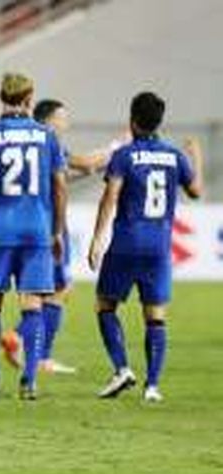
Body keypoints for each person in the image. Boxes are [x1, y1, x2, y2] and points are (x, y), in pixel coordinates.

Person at [88, 91, 203, 402]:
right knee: (155, 316)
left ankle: (122, 368)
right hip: (159, 247)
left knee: (105, 306)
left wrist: (98, 239)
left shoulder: (124, 156)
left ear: (132, 120)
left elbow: (110, 197)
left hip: (126, 243)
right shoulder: (175, 156)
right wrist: (196, 156)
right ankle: (152, 386)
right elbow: (196, 191)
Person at [0, 73, 67, 400]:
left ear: (2, 97)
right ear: (29, 99)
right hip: (37, 229)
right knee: (33, 306)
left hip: (0, 228)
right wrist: (57, 230)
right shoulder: (46, 135)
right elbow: (60, 185)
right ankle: (28, 381)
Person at [0, 99, 114, 374]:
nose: (67, 123)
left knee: (48, 289)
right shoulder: (48, 140)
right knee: (57, 289)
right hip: (49, 224)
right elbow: (84, 162)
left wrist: (89, 169)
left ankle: (31, 348)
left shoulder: (32, 144)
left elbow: (65, 175)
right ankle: (32, 348)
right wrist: (115, 148)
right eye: (62, 118)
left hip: (22, 220)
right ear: (48, 120)